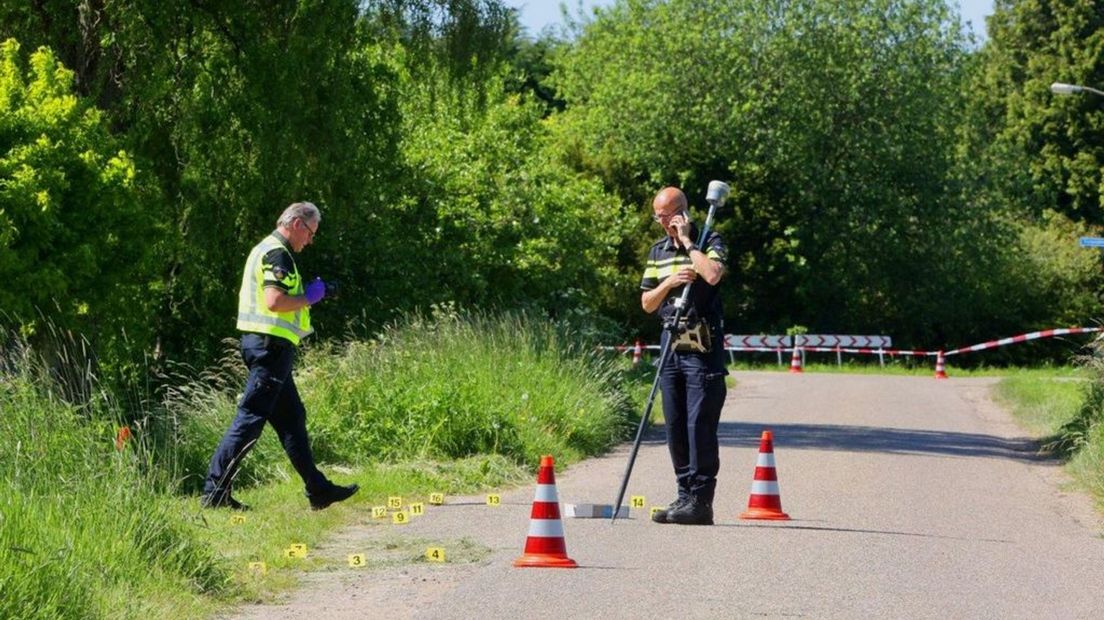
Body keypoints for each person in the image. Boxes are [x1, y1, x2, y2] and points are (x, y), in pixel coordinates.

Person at [202, 201, 358, 511]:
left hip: (269, 347)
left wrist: (311, 294)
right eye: (311, 233)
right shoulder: (278, 253)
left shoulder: (269, 249)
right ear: (298, 224)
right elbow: (274, 301)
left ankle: (318, 489)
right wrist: (310, 297)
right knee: (249, 419)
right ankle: (214, 493)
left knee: (292, 419)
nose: (310, 240)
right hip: (269, 347)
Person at [640, 187, 728, 525]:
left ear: (682, 212)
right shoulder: (657, 251)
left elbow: (713, 275)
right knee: (674, 425)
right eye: (657, 217)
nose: (662, 223)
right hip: (670, 343)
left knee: (698, 426)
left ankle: (701, 502)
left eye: (666, 216)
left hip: (702, 347)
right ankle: (683, 495)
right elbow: (647, 303)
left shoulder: (709, 240)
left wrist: (690, 244)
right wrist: (669, 283)